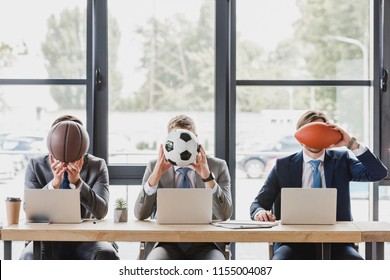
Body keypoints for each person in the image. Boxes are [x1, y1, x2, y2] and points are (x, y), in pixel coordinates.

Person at [250, 110, 388, 260]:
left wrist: (351, 143)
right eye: (310, 130)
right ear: (300, 136)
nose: (315, 136)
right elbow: (258, 204)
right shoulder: (283, 166)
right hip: (293, 243)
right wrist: (260, 213)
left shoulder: (342, 160)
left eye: (320, 131)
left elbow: (378, 173)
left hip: (338, 241)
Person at [20, 115, 119, 260]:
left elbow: (101, 211)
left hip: (86, 237)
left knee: (106, 255)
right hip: (45, 237)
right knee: (30, 257)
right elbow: (29, 209)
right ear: (52, 141)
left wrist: (78, 183)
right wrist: (54, 184)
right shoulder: (36, 165)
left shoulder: (97, 165)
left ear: (82, 143)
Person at [134, 114, 233, 260]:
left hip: (206, 243)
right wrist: (155, 177)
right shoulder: (154, 166)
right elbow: (140, 214)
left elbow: (225, 214)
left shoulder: (217, 166)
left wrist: (207, 177)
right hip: (165, 243)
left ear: (196, 140)